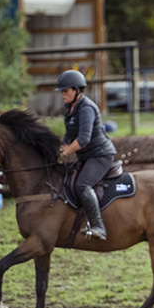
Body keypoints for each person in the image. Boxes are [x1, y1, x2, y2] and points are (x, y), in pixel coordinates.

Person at [56, 69, 116, 240]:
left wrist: (65, 152)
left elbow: (83, 139)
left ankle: (99, 226)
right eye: (62, 91)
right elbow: (69, 135)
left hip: (100, 155)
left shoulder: (86, 108)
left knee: (82, 185)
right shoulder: (70, 108)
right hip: (86, 156)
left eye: (65, 91)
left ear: (77, 90)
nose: (63, 95)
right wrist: (60, 148)